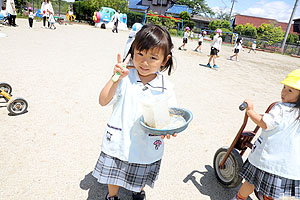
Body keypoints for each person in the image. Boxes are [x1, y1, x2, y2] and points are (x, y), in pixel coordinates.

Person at [92, 24, 177, 200]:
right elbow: (103, 101)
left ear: (164, 60)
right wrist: (115, 77)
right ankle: (113, 195)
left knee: (141, 172)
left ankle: (138, 192)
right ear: (132, 52)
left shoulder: (166, 88)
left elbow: (170, 117)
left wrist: (168, 130)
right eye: (140, 54)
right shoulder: (124, 78)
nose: (144, 62)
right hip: (119, 140)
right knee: (113, 172)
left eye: (153, 57)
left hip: (147, 143)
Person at [231, 69, 300, 200]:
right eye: (284, 87)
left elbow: (264, 123)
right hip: (285, 164)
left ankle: (239, 198)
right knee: (273, 190)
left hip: (267, 159)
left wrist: (250, 111)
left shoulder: (281, 108)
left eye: (290, 90)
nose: (284, 92)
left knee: (250, 182)